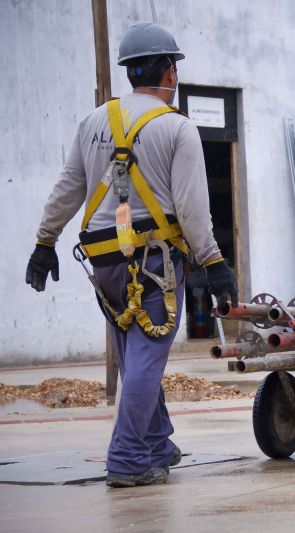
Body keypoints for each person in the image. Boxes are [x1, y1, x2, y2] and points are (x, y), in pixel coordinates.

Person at [24, 22, 238, 488]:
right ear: (167, 70)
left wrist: (44, 242)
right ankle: (127, 458)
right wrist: (214, 262)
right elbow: (192, 206)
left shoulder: (94, 120)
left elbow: (68, 188)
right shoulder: (177, 127)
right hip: (155, 260)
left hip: (104, 259)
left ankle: (156, 442)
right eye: (174, 67)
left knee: (133, 352)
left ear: (128, 73)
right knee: (147, 356)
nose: (175, 76)